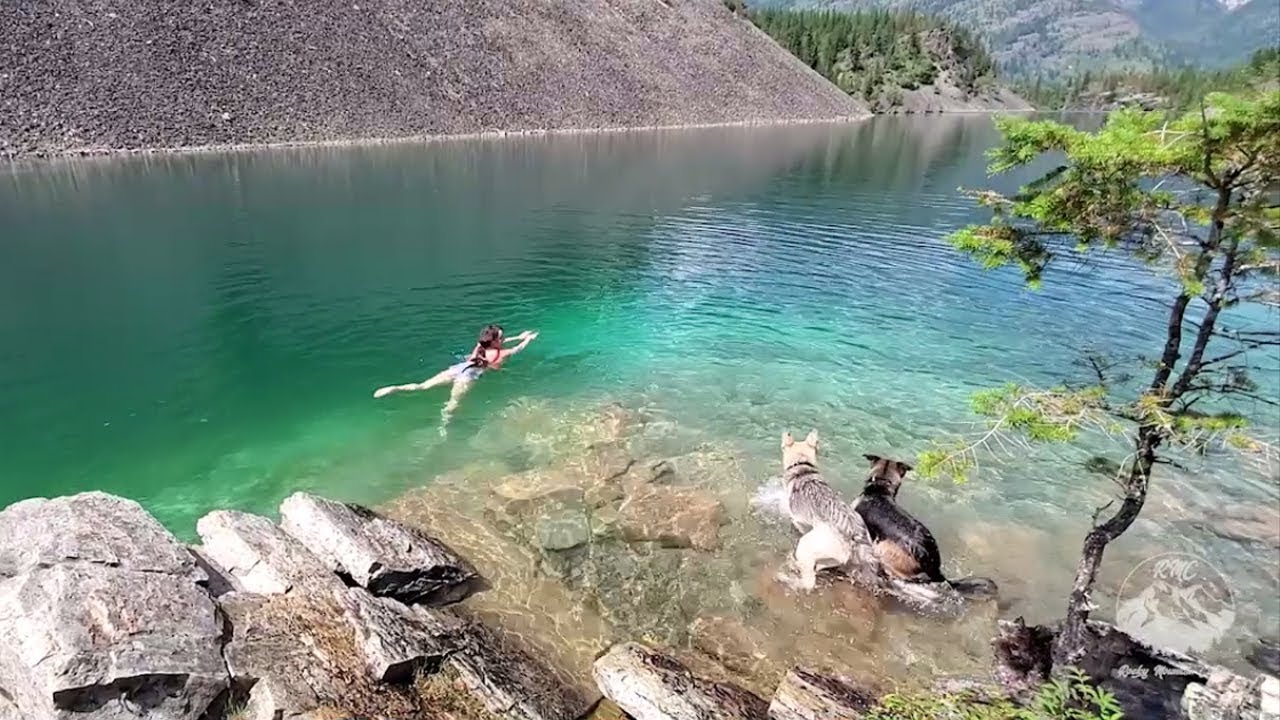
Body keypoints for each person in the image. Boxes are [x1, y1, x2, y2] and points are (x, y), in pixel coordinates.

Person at [373, 324, 539, 432]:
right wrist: (527, 339)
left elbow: (503, 342)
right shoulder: (503, 353)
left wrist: (518, 336)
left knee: (422, 386)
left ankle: (394, 388)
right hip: (468, 377)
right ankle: (443, 426)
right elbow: (518, 349)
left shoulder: (480, 346)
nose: (503, 339)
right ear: (496, 341)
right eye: (501, 337)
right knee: (453, 403)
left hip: (457, 369)